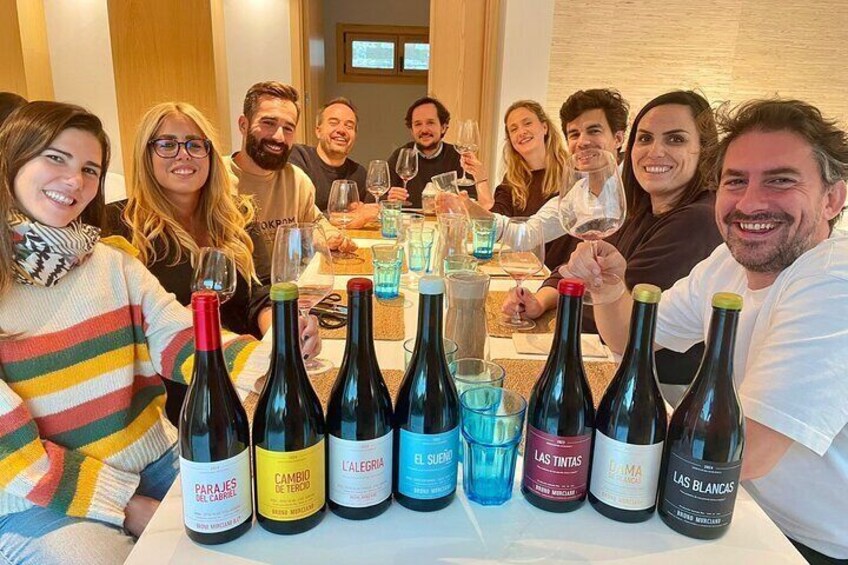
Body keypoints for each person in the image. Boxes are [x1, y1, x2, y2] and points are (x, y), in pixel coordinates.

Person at [0, 102, 315, 564]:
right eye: (55, 158)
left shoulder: (110, 262)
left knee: (269, 506)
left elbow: (180, 337)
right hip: (40, 493)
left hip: (154, 457)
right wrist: (126, 505)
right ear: (12, 160)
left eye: (90, 169)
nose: (74, 181)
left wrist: (279, 357)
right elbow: (10, 451)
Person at [566, 99, 848, 563]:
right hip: (722, 500)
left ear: (832, 199)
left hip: (803, 541)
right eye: (735, 181)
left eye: (780, 180)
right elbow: (630, 338)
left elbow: (744, 452)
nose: (750, 202)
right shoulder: (727, 264)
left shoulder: (833, 283)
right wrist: (611, 288)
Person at [505, 91, 723, 400]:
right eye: (645, 139)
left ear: (706, 149)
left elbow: (618, 317)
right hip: (608, 360)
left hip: (655, 390)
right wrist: (541, 301)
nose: (655, 151)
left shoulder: (697, 222)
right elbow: (576, 266)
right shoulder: (639, 209)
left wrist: (572, 295)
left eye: (675, 139)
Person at [104, 101, 286, 425]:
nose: (183, 155)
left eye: (194, 144)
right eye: (167, 144)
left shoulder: (239, 216)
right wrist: (175, 322)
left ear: (209, 154)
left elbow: (261, 296)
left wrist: (282, 333)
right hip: (171, 396)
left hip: (244, 380)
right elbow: (114, 328)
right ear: (146, 154)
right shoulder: (118, 226)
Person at [440, 88, 630, 269]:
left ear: (618, 138)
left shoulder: (633, 186)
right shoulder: (577, 193)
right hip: (557, 275)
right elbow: (527, 234)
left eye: (594, 131)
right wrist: (469, 207)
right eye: (574, 134)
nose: (582, 142)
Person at [226, 81, 361, 253]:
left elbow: (316, 224)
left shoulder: (297, 181)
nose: (279, 137)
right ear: (243, 125)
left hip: (289, 271)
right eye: (268, 123)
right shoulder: (216, 178)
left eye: (288, 128)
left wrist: (332, 237)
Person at [386, 96, 488, 207]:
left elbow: (473, 200)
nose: (424, 130)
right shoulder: (401, 156)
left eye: (430, 123)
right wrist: (388, 199)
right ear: (412, 130)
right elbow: (376, 196)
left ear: (443, 127)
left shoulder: (458, 156)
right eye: (418, 124)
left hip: (445, 218)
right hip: (409, 218)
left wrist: (457, 203)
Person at [288, 97, 372, 211]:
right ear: (318, 131)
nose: (341, 130)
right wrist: (348, 217)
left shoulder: (358, 173)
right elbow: (297, 214)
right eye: (333, 123)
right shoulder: (299, 157)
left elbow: (370, 210)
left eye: (349, 126)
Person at [489, 100, 567, 218]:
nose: (521, 132)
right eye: (514, 129)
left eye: (527, 123)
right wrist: (481, 180)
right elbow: (497, 221)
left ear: (544, 127)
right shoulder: (511, 180)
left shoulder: (572, 170)